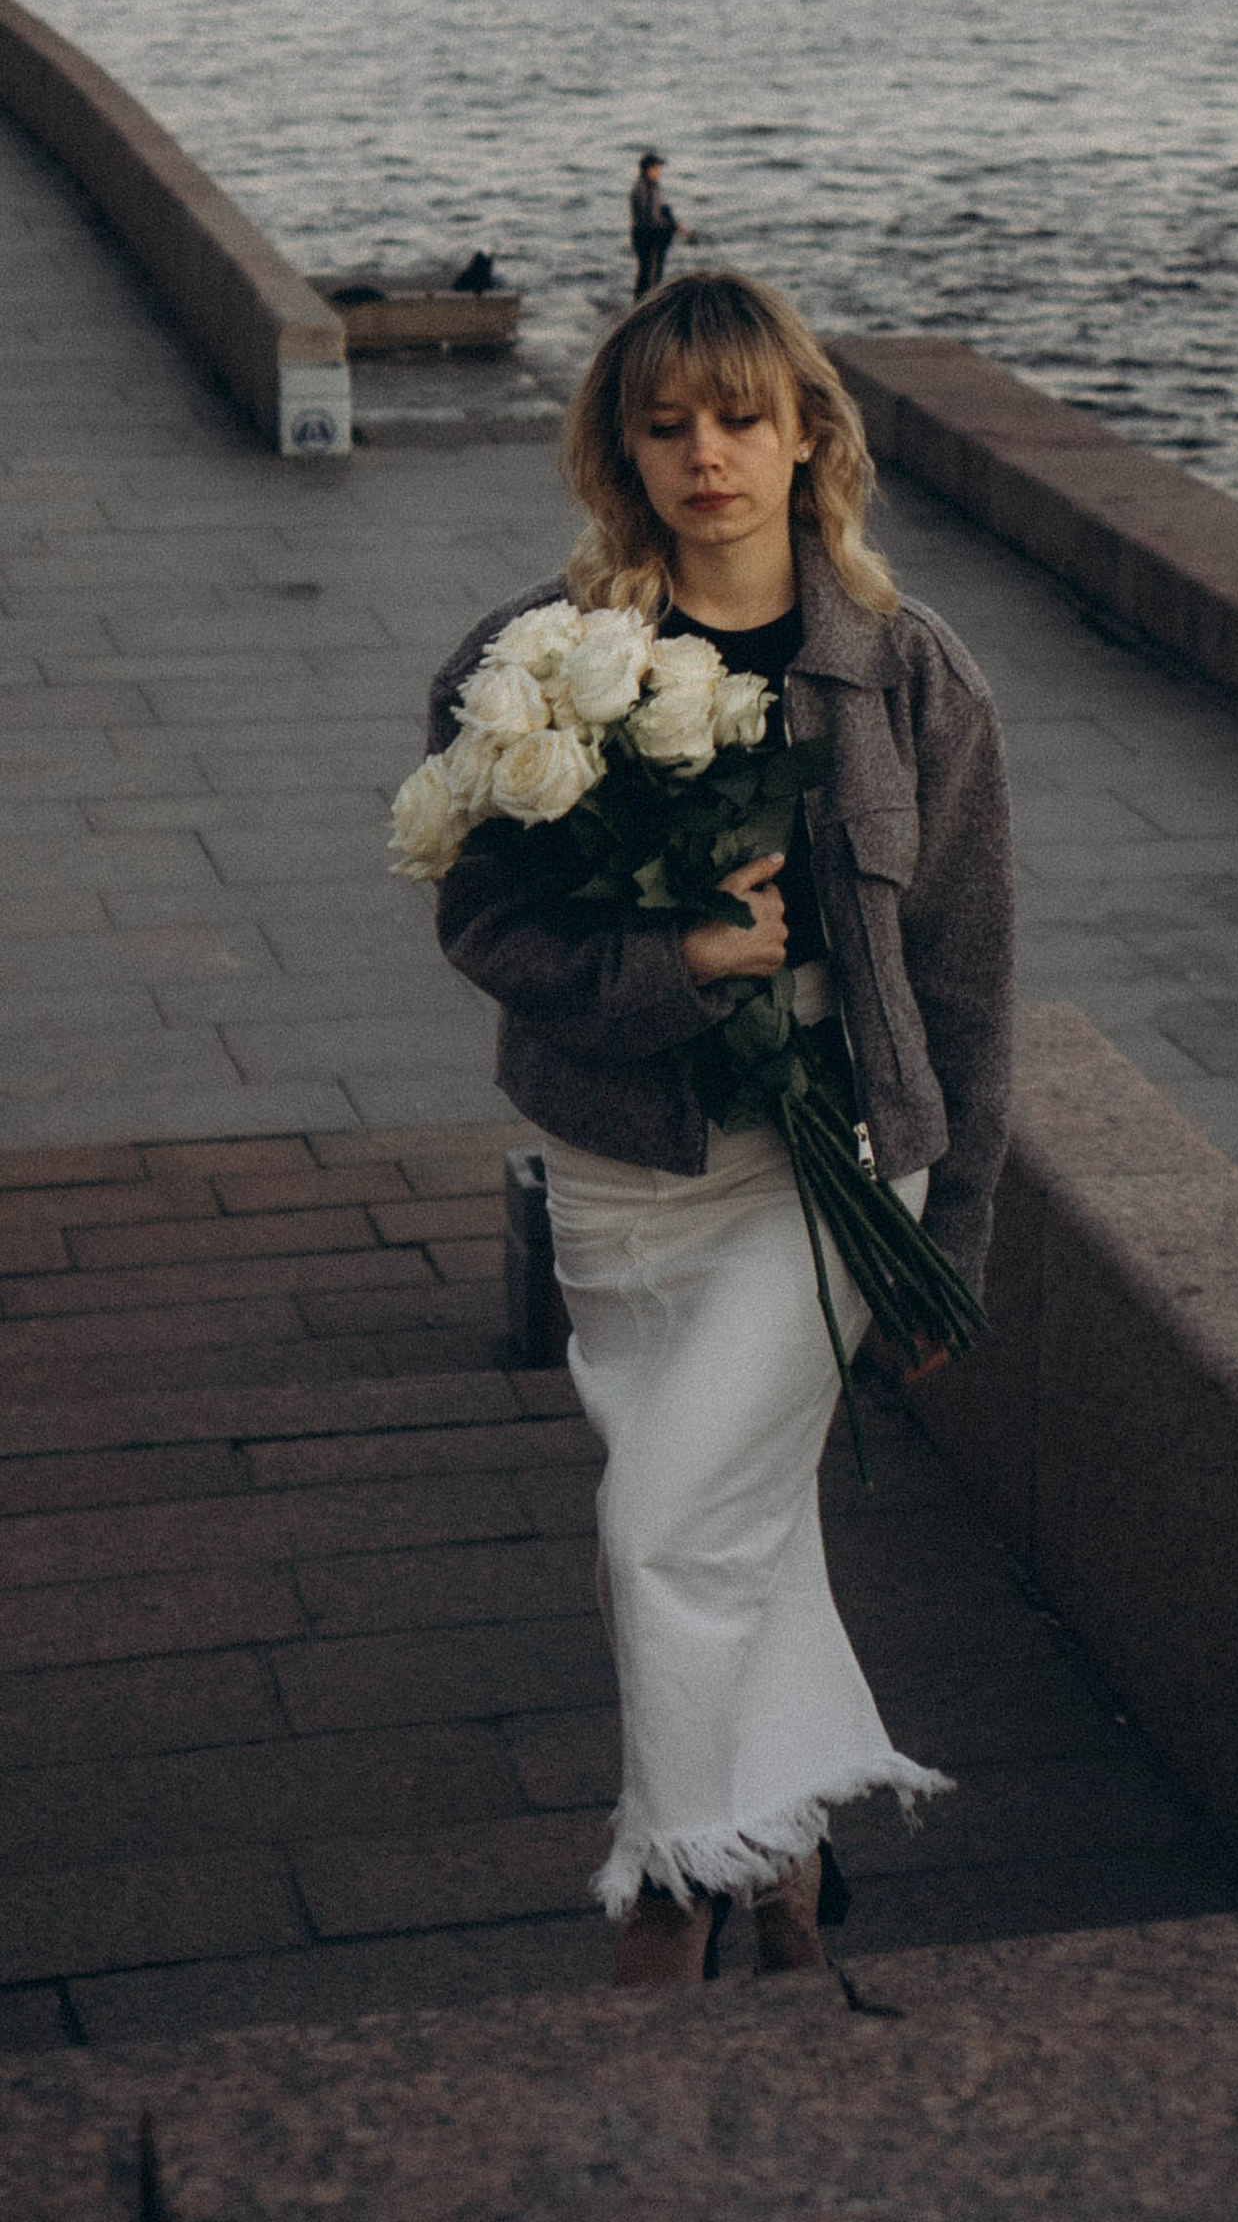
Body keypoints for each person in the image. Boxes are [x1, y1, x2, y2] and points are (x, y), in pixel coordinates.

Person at [428, 271, 1013, 1987]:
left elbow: (972, 980)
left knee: (664, 1528)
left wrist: (954, 1244)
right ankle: (792, 1870)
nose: (709, 457)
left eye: (743, 420)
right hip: (626, 1167)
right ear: (621, 448)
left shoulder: (911, 675)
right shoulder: (532, 666)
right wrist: (671, 967)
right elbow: (483, 927)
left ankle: (670, 1899)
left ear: (810, 435)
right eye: (668, 425)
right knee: (736, 1522)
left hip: (842, 1166)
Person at [628, 153, 685, 300]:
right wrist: (672, 227)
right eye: (657, 168)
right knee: (648, 273)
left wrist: (674, 224)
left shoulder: (651, 186)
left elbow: (660, 210)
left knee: (650, 271)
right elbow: (650, 218)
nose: (659, 171)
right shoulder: (642, 189)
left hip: (650, 233)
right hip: (646, 235)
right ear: (648, 169)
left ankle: (646, 300)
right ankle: (644, 302)